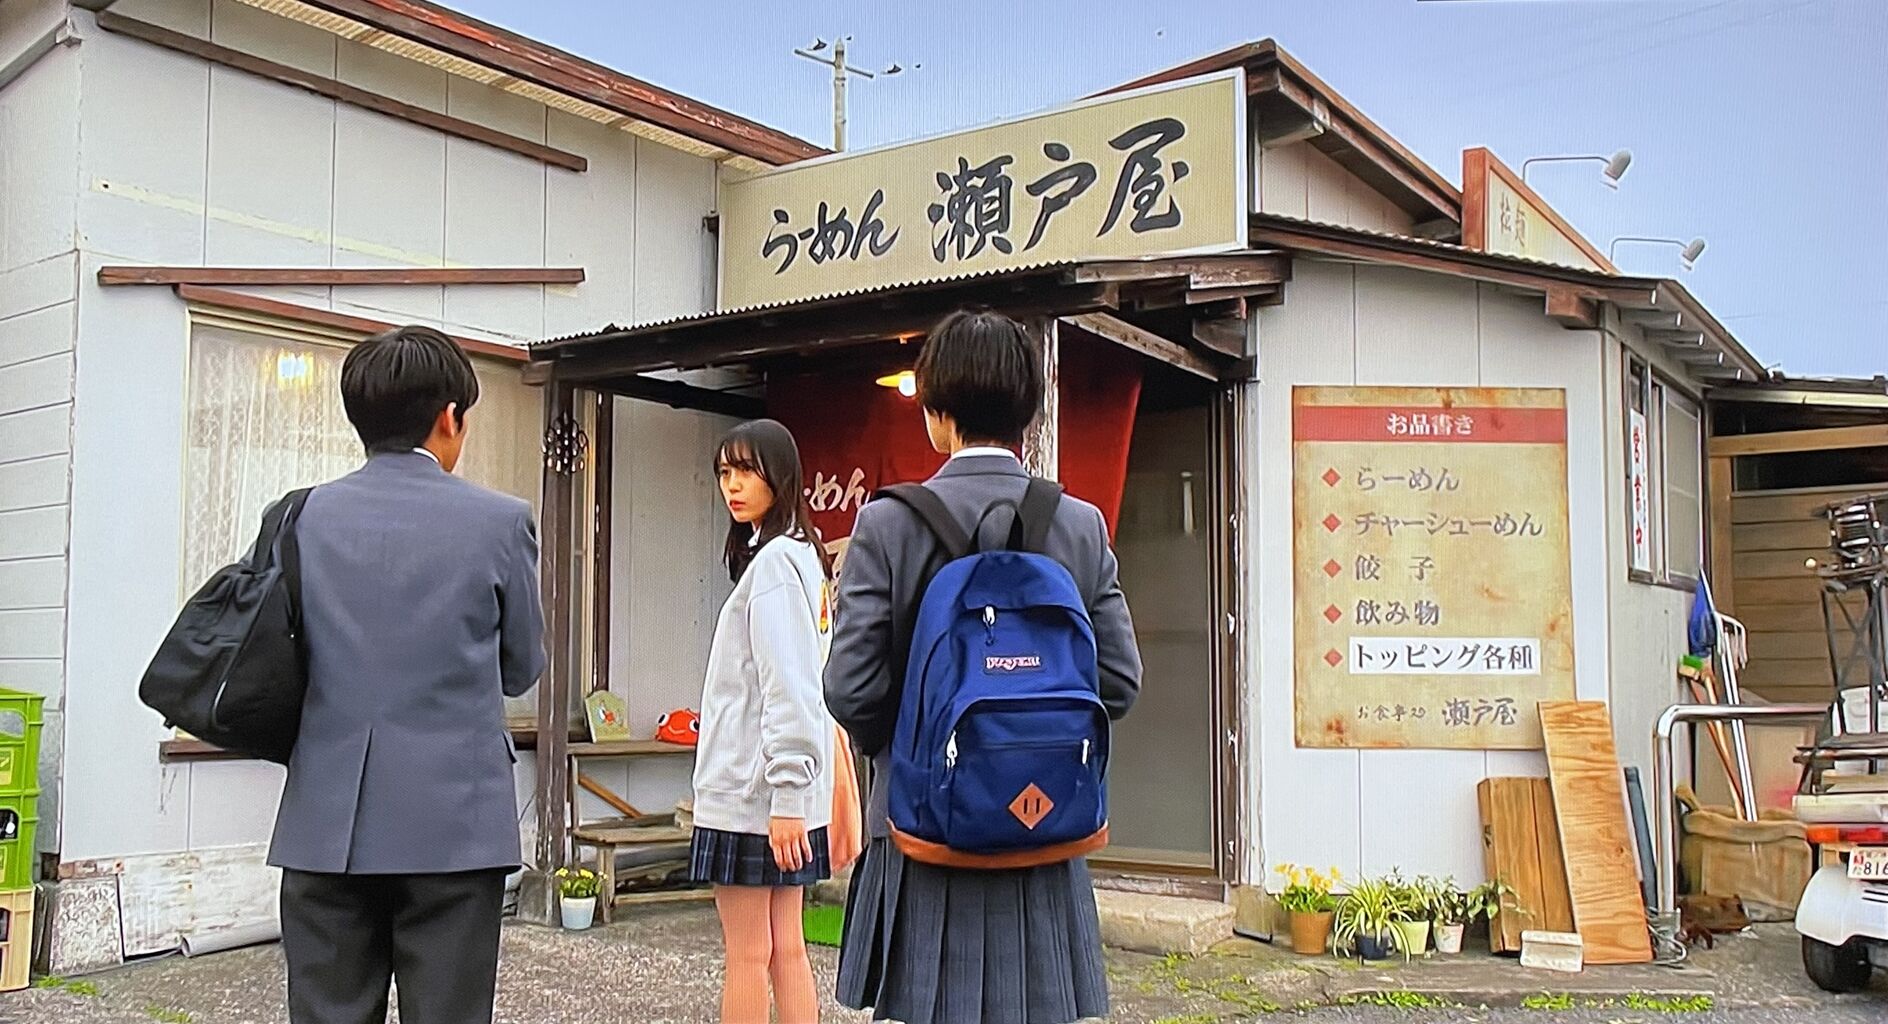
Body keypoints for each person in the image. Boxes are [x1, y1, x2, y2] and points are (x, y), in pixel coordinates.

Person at [828, 309, 1143, 1024]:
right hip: (1045, 832)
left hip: (922, 833)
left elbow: (851, 688)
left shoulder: (889, 523)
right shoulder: (1078, 524)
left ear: (938, 415)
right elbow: (1119, 681)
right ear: (1027, 411)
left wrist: (913, 749)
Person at [267, 325, 545, 1024]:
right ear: (449, 417)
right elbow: (521, 669)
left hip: (326, 820)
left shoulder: (297, 517)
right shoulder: (500, 522)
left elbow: (273, 656)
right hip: (455, 824)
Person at [690, 418, 838, 1024]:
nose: (732, 484)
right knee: (786, 949)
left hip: (754, 792)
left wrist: (787, 793)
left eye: (747, 470)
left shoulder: (776, 563)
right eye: (725, 471)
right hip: (781, 793)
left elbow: (787, 686)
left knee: (749, 955)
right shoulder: (803, 554)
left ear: (781, 474)